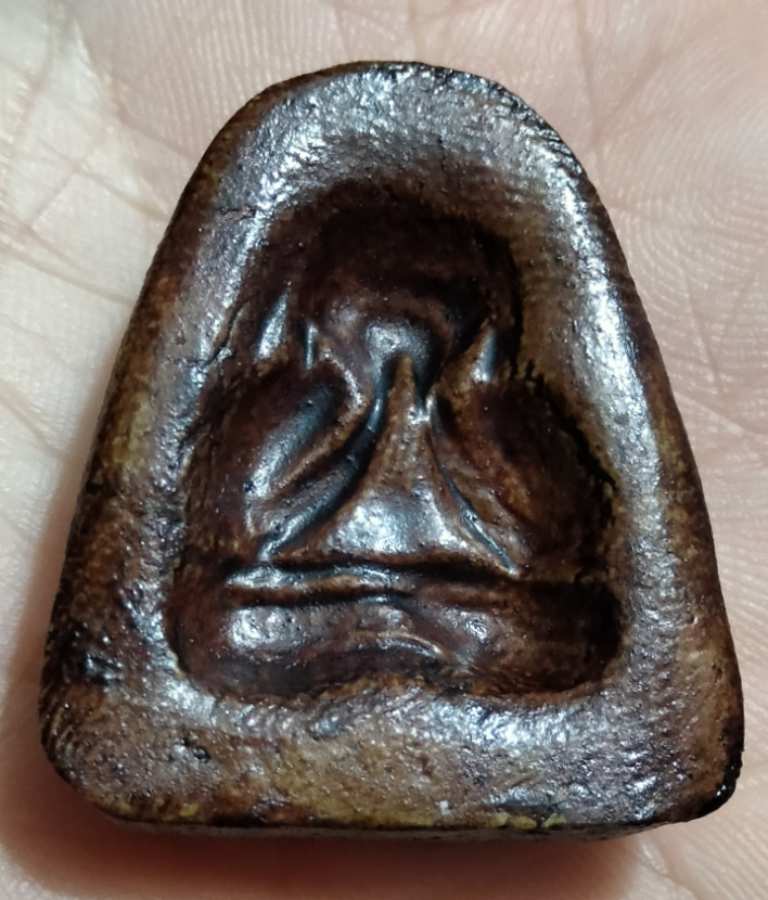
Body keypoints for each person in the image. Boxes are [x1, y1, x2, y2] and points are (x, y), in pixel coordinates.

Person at [0, 2, 764, 898]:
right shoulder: (295, 399)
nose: (395, 393)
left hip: (485, 615)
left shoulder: (490, 412)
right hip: (275, 610)